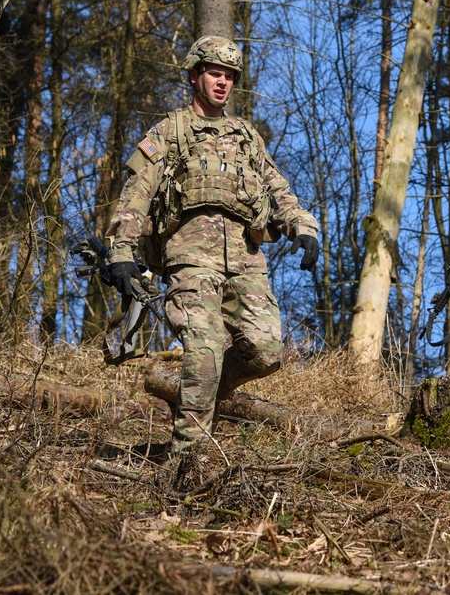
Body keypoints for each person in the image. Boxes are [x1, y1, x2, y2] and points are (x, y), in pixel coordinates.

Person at [104, 35, 319, 451]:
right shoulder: (170, 131)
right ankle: (187, 456)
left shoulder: (246, 137)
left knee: (266, 351)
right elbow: (137, 193)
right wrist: (121, 251)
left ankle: (197, 392)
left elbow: (279, 191)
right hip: (189, 258)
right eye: (215, 73)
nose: (223, 83)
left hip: (246, 261)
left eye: (230, 76)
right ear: (195, 75)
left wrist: (302, 227)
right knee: (204, 349)